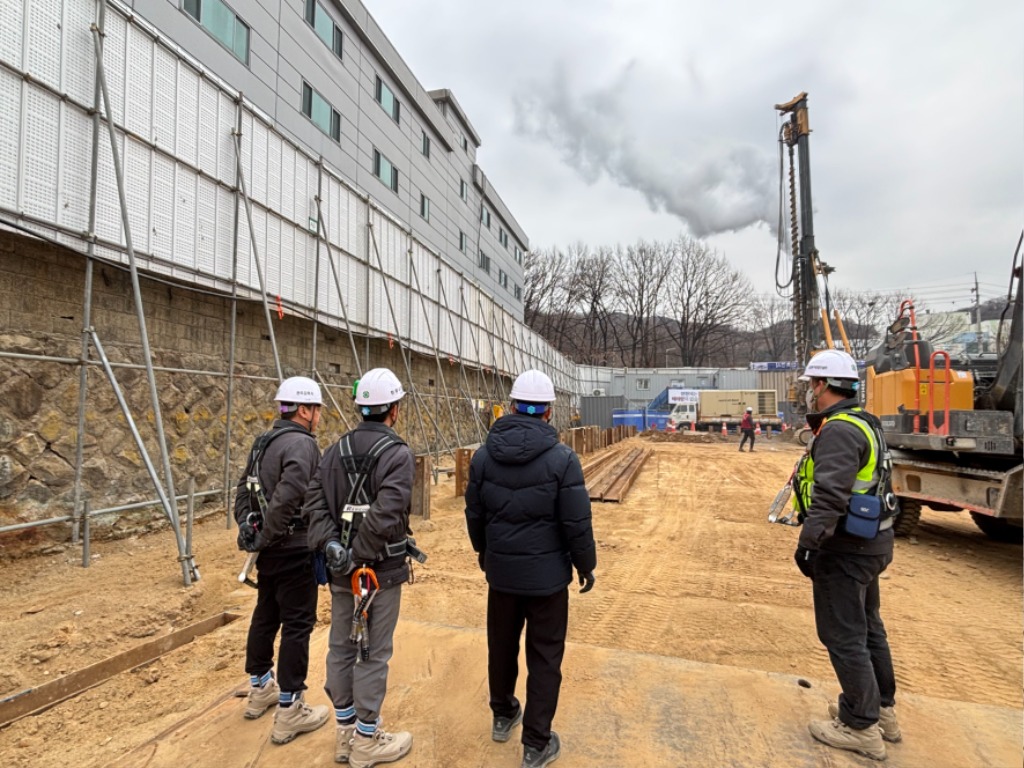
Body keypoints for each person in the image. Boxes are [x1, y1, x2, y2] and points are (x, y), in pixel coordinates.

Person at [465, 369, 597, 768]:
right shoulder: (562, 459)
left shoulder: (484, 456)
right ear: (548, 411)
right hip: (548, 581)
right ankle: (536, 744)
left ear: (512, 405)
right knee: (545, 657)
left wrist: (486, 553)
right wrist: (585, 565)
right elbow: (576, 522)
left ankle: (503, 714)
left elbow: (475, 515)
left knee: (501, 646)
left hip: (502, 575)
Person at [791, 350, 901, 761]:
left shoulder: (839, 430)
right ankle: (880, 711)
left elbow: (830, 497)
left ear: (820, 385)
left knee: (843, 635)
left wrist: (809, 543)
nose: (808, 393)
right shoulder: (866, 422)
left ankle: (860, 726)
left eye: (810, 385)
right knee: (870, 628)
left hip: (845, 548)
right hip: (871, 542)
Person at [306, 368, 416, 768]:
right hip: (379, 572)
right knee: (373, 651)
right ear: (394, 410)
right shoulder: (398, 454)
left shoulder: (333, 450)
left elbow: (314, 504)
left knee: (341, 646)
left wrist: (333, 546)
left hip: (340, 571)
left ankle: (345, 732)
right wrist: (361, 556)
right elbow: (389, 511)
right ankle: (367, 740)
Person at [234, 376, 330, 744]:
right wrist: (266, 533)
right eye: (316, 409)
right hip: (293, 548)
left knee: (266, 613)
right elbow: (289, 498)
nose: (319, 415)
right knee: (296, 625)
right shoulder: (302, 445)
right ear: (303, 409)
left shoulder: (264, 442)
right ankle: (291, 707)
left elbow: (244, 488)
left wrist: (247, 527)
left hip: (269, 551)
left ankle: (261, 686)